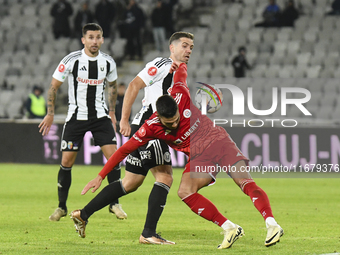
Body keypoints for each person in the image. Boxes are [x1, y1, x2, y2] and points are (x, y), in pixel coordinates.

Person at [71, 63, 284, 249]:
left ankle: (272, 224)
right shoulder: (150, 127)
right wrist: (100, 175)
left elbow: (182, 71)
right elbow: (123, 150)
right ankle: (229, 228)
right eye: (169, 123)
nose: (174, 124)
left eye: (176, 120)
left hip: (219, 142)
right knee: (184, 192)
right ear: (159, 117)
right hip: (201, 157)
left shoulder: (181, 93)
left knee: (245, 182)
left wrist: (178, 64)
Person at [70, 31, 194, 244]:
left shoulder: (177, 71)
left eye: (191, 47)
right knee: (164, 177)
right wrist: (123, 120)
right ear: (172, 47)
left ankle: (84, 213)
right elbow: (134, 85)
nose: (188, 50)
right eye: (184, 45)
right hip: (149, 127)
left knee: (131, 182)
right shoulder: (163, 63)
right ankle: (148, 233)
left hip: (144, 128)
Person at [38, 23, 126, 222]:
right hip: (76, 117)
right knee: (67, 161)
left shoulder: (108, 62)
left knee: (113, 159)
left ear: (102, 39)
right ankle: (61, 207)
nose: (94, 41)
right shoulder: (72, 60)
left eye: (98, 37)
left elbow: (112, 88)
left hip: (100, 116)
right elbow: (53, 87)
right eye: (91, 37)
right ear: (83, 40)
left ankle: (115, 204)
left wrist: (112, 112)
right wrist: (50, 113)